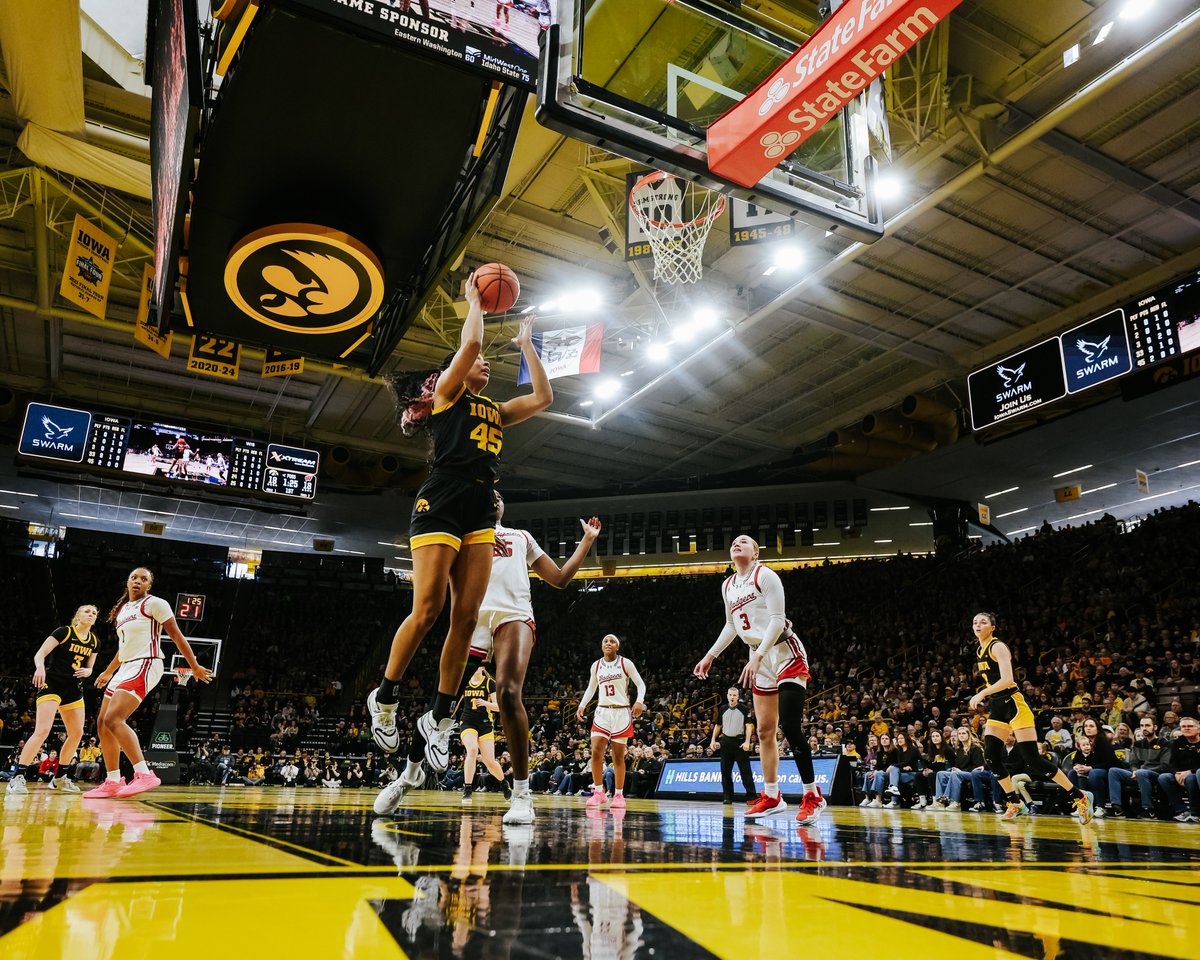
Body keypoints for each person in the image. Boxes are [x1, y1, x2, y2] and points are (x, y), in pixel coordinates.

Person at [367, 276, 552, 794]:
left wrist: (526, 347)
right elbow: (470, 344)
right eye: (478, 363)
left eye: (489, 363)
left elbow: (543, 395)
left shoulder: (495, 410)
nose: (484, 364)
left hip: (478, 505)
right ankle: (384, 697)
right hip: (441, 498)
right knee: (427, 609)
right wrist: (474, 301)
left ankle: (441, 718)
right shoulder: (448, 396)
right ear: (451, 373)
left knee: (465, 617)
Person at [375, 490, 599, 823]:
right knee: (441, 709)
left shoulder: (522, 536)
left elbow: (560, 579)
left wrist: (587, 541)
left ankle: (522, 795)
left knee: (509, 693)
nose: (493, 497)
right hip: (473, 621)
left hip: (514, 616)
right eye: (487, 494)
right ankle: (409, 775)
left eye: (498, 495)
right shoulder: (461, 535)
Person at [693, 536, 823, 825]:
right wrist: (710, 655)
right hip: (759, 657)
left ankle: (812, 795)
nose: (737, 544)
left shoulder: (765, 575)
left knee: (789, 725)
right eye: (734, 542)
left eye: (744, 541)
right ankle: (772, 796)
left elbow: (778, 619)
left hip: (783, 651)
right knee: (765, 731)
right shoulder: (727, 585)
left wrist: (758, 655)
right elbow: (731, 625)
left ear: (756, 553)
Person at [83, 568, 212, 798]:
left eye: (144, 579)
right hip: (124, 667)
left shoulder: (155, 603)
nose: (138, 581)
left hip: (146, 662)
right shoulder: (123, 610)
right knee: (102, 723)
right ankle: (113, 780)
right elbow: (124, 649)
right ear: (128, 581)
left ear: (149, 586)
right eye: (134, 577)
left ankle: (144, 774)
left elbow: (176, 635)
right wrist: (107, 671)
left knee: (114, 719)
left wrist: (193, 666)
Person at [968, 612, 1094, 823]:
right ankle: (1015, 802)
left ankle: (1080, 796)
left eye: (983, 622)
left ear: (993, 627)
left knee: (1033, 760)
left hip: (1015, 704)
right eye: (975, 622)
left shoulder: (997, 646)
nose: (977, 625)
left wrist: (982, 693)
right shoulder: (980, 649)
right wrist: (988, 694)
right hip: (998, 706)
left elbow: (1008, 679)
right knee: (990, 756)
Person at [6, 604, 101, 796]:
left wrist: (89, 671)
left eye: (94, 613)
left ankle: (59, 778)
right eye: (87, 612)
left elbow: (90, 666)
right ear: (78, 615)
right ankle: (17, 777)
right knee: (42, 730)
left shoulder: (95, 641)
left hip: (73, 688)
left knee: (76, 733)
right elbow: (40, 653)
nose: (90, 615)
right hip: (53, 683)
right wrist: (40, 668)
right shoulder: (64, 632)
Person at [576, 635, 647, 809]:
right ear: (602, 646)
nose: (608, 643)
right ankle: (599, 792)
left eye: (612, 642)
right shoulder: (597, 665)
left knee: (617, 756)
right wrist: (582, 705)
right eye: (605, 642)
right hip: (602, 712)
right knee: (596, 752)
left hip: (621, 712)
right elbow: (591, 688)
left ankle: (618, 795)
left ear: (618, 647)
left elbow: (641, 684)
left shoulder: (625, 663)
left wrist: (640, 701)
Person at [456, 665, 507, 803]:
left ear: (482, 668)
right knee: (472, 750)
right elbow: (455, 703)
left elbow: (498, 707)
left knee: (489, 761)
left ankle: (504, 784)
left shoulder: (490, 683)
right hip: (467, 722)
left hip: (485, 724)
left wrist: (485, 703)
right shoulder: (464, 682)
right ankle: (467, 789)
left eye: (478, 666)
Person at [1107, 714, 1171, 818]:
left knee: (1142, 772)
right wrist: (1135, 771)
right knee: (1113, 771)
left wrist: (1141, 772)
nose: (1144, 728)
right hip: (1138, 774)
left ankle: (1148, 809)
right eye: (1142, 726)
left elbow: (1165, 765)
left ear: (1155, 727)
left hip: (1156, 775)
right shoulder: (1137, 744)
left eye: (1147, 725)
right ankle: (1117, 807)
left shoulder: (1165, 743)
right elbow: (1133, 763)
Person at [707, 687, 757, 805]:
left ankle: (751, 796)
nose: (732, 697)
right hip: (726, 741)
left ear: (738, 696)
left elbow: (748, 726)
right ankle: (727, 797)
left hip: (740, 743)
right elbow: (718, 726)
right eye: (730, 695)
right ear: (727, 696)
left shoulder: (744, 709)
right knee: (725, 772)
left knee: (746, 772)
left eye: (734, 695)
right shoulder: (723, 708)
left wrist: (747, 741)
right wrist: (713, 740)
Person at [1158, 716, 1200, 823]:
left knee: (1190, 778)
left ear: (1198, 729)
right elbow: (1172, 762)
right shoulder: (1177, 742)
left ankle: (1195, 813)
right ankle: (1182, 811)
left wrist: (1191, 771)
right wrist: (1176, 774)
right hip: (1180, 775)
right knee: (1163, 777)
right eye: (1183, 726)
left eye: (1190, 726)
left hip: (1194, 774)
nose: (1186, 728)